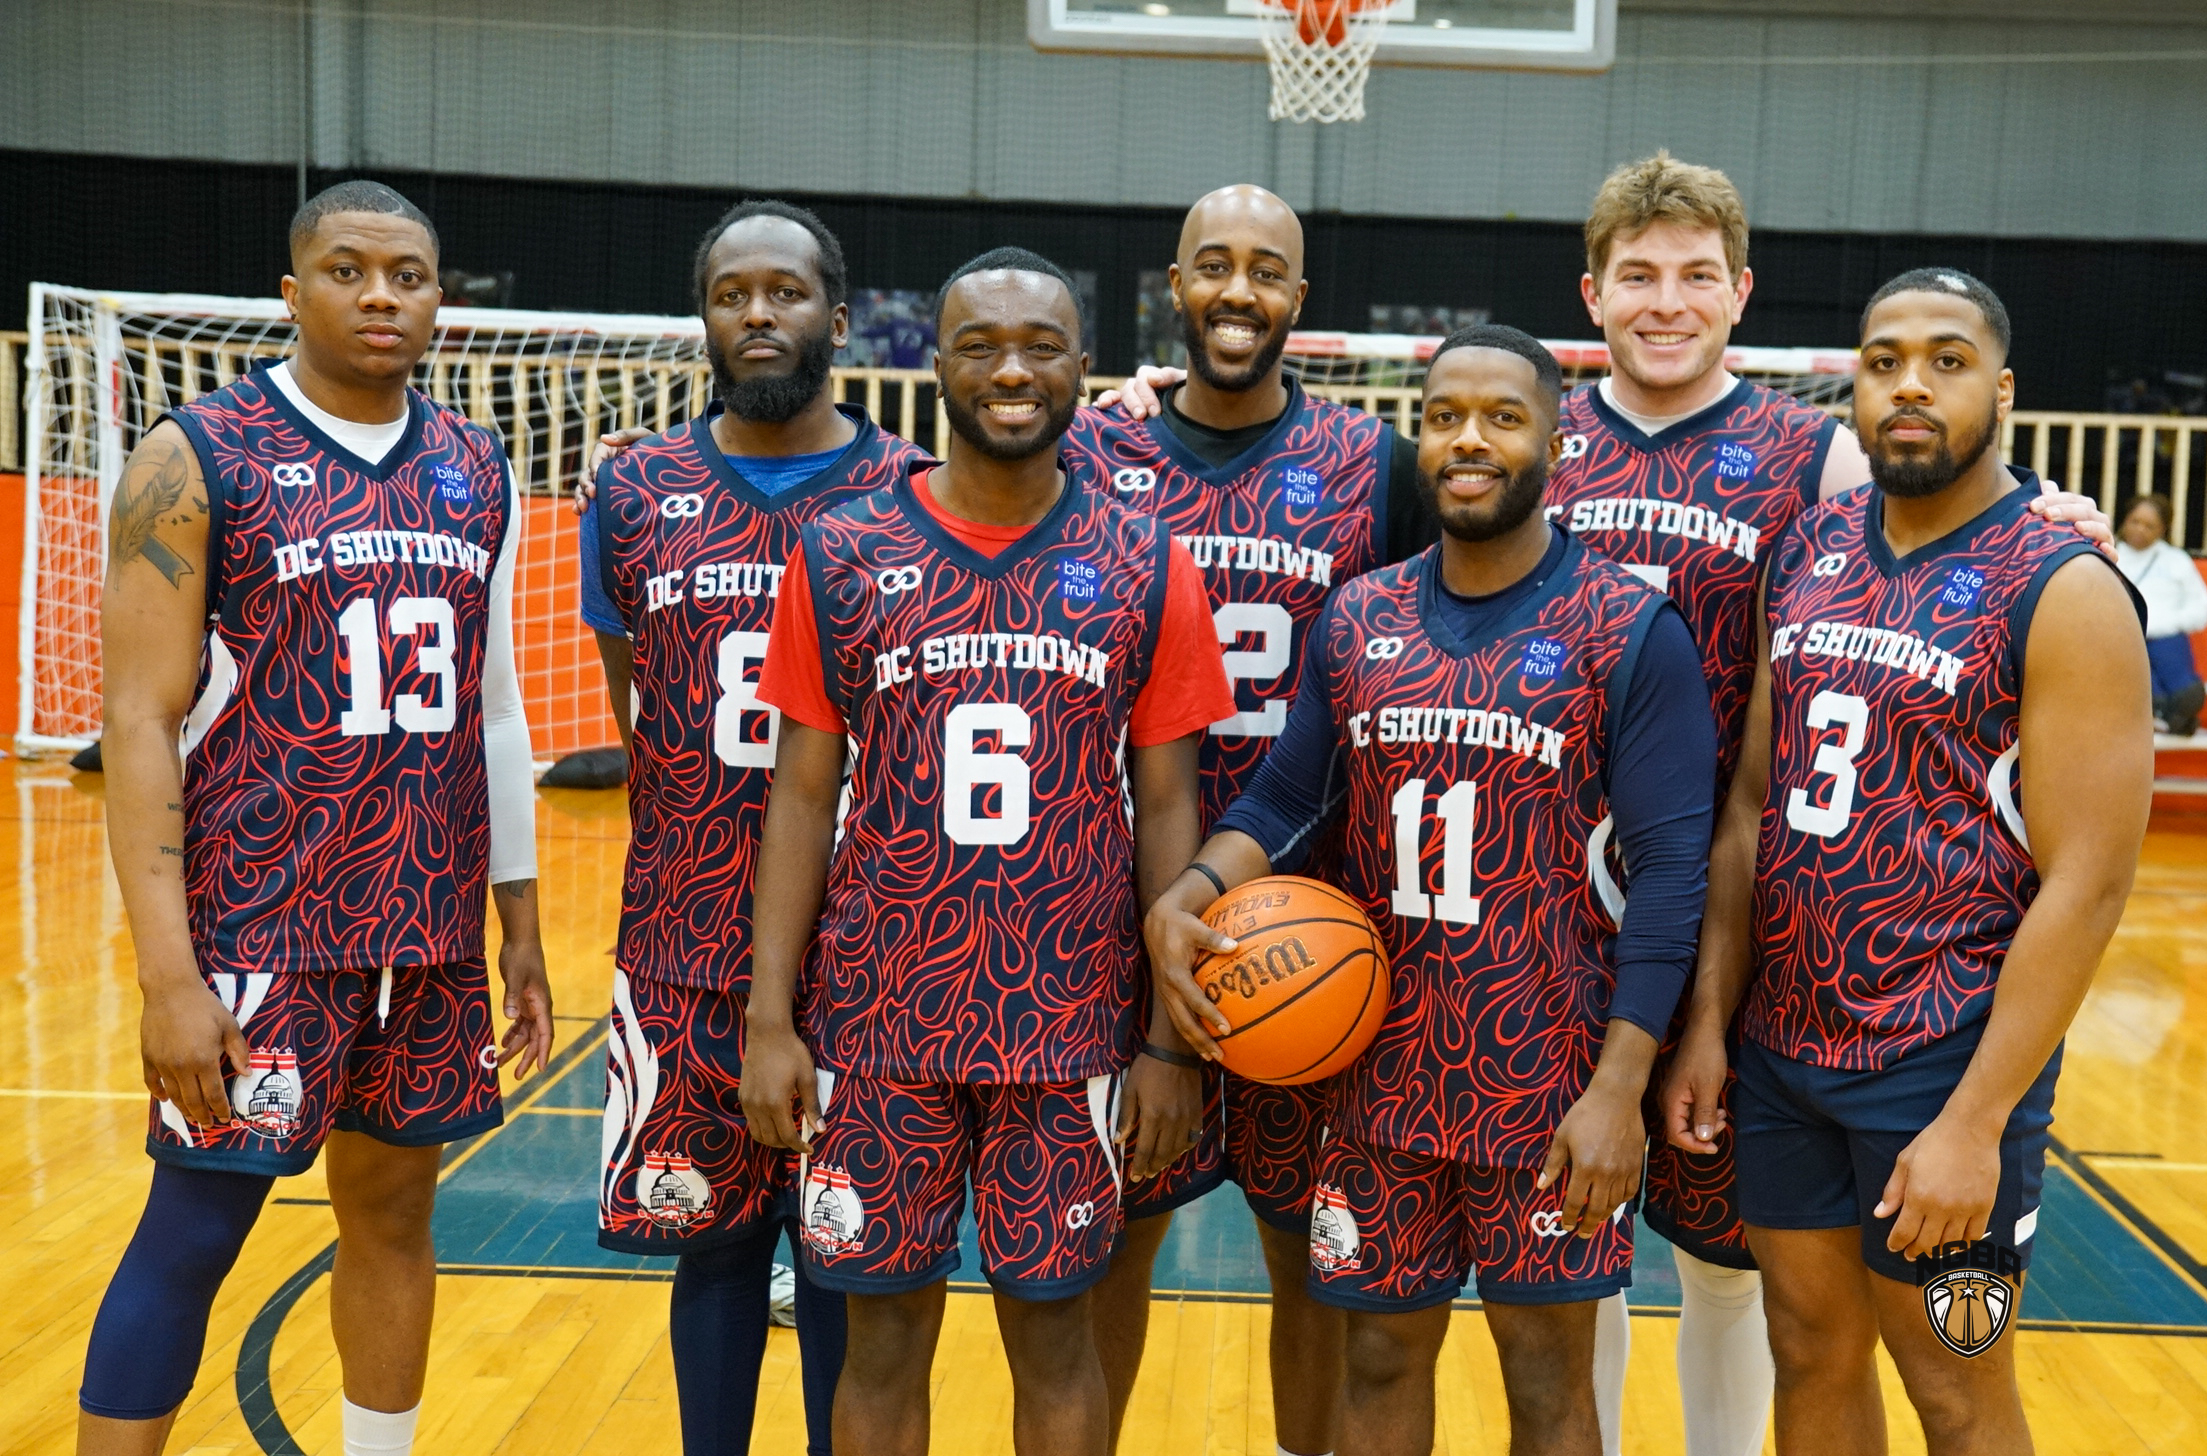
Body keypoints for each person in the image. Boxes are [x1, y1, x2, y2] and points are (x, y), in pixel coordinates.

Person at [1555, 154, 2112, 1456]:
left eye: (1695, 275)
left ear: (1740, 293)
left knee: (1727, 1270)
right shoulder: (1534, 437)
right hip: (1556, 911)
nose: (1664, 302)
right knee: (1564, 1246)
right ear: (1590, 294)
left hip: (1747, 940)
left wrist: (2062, 517)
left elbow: (1959, 530)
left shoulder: (1821, 463)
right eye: (1636, 275)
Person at [1146, 326, 1718, 1456]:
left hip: (1547, 1074)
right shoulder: (1358, 616)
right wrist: (1193, 889)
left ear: (1555, 440)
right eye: (1444, 414)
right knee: (1377, 1357)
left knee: (1548, 1381)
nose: (1467, 439)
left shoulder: (1628, 629)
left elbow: (1669, 876)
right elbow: (1284, 798)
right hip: (1379, 1065)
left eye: (1500, 417)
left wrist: (1619, 1086)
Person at [81, 180, 551, 1456]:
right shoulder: (196, 456)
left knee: (396, 1215)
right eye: (348, 270)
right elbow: (136, 723)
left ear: (441, 298)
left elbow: (495, 707)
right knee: (193, 1230)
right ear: (293, 295)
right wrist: (168, 976)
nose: (382, 293)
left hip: (431, 925)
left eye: (408, 273)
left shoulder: (472, 462)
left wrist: (517, 916)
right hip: (256, 924)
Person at [739, 247, 1232, 1455]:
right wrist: (767, 1017)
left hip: (1070, 1021)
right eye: (979, 345)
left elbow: (1168, 805)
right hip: (880, 1016)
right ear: (936, 363)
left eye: (1040, 347)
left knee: (1057, 1339)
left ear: (1081, 369)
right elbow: (801, 797)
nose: (1011, 370)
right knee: (878, 1340)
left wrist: (1172, 1038)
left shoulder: (1148, 561)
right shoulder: (843, 555)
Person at [1681, 268, 2150, 1454]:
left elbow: (2087, 881)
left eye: (1944, 361)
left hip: (1937, 1060)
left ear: (1998, 389)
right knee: (1807, 1354)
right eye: (1883, 358)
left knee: (1953, 1392)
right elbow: (1747, 803)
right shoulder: (1812, 547)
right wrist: (1708, 1023)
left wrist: (1975, 1119)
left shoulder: (2064, 583)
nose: (1907, 384)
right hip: (1783, 1052)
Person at [1060, 183, 1435, 1456]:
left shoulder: (1376, 468)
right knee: (1113, 1237)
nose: (1236, 290)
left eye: (1264, 271)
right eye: (1210, 265)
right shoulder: (1085, 450)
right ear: (1173, 285)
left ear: (1297, 301)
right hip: (1114, 916)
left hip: (1311, 922)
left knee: (1310, 1257)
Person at [579, 200, 924, 1456]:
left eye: (786, 293)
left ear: (835, 319)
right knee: (714, 1249)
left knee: (846, 1258)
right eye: (734, 293)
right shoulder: (633, 489)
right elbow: (638, 705)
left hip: (873, 946)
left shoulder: (910, 491)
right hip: (683, 934)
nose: (759, 313)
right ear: (706, 318)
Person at [2114, 492, 2207, 736]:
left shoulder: (2176, 561)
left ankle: (2173, 705)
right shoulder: (2107, 554)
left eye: (2149, 525)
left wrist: (2160, 625)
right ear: (2124, 520)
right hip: (2122, 638)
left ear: (2163, 529)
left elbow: (2201, 609)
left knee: (2168, 657)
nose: (2140, 529)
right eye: (2135, 521)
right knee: (2135, 651)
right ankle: (2169, 713)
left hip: (2168, 637)